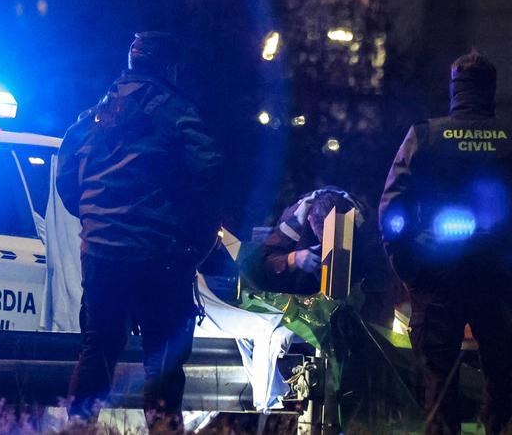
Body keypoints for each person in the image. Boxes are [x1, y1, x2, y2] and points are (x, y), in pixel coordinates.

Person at [379, 51, 512, 434]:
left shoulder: (424, 136)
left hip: (437, 280)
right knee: (502, 390)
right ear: (491, 91)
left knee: (438, 390)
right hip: (499, 281)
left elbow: (392, 214)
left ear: (454, 89)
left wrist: (413, 275)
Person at [57, 32, 224, 430]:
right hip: (160, 258)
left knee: (96, 351)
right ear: (170, 68)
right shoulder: (179, 113)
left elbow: (66, 179)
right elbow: (211, 176)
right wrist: (191, 247)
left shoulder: (94, 116)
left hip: (101, 255)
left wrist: (95, 222)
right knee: (163, 365)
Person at [256, 186, 396, 326]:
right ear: (310, 220)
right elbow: (262, 265)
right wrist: (293, 260)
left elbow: (383, 271)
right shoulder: (295, 220)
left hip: (351, 306)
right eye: (323, 236)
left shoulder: (365, 226)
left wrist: (362, 289)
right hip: (300, 301)